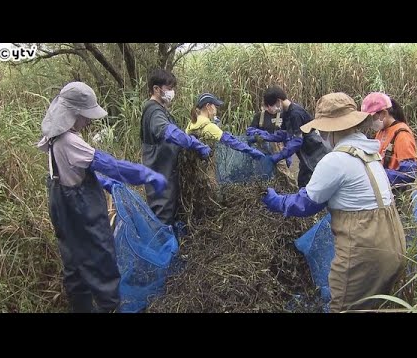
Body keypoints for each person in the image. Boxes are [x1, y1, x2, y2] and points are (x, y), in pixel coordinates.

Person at [262, 92, 406, 313]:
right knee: (372, 305)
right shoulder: (369, 152)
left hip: (364, 248)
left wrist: (278, 201)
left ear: (330, 129)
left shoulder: (335, 160)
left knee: (343, 306)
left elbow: (307, 204)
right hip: (394, 243)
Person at [37, 81, 168, 313]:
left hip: (62, 207)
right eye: (86, 115)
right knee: (101, 258)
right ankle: (110, 308)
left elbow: (71, 169)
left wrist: (103, 182)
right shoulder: (69, 140)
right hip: (80, 209)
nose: (89, 120)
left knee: (74, 262)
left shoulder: (53, 137)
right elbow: (109, 164)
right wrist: (146, 174)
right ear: (72, 114)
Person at [140, 69, 211, 229]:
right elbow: (168, 131)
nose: (172, 92)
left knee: (169, 213)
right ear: (156, 89)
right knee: (162, 215)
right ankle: (163, 251)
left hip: (166, 173)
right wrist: (194, 144)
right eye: (169, 88)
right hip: (159, 175)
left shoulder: (160, 110)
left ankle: (170, 242)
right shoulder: (154, 111)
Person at [260, 86, 330, 188]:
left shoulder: (295, 113)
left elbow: (297, 141)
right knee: (302, 181)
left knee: (311, 183)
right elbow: (285, 133)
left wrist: (280, 155)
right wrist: (267, 136)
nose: (271, 109)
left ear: (279, 101)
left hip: (315, 152)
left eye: (271, 105)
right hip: (305, 153)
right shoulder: (286, 113)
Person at [361, 92, 417, 192]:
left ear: (384, 113)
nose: (370, 123)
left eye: (372, 118)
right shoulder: (381, 132)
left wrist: (379, 174)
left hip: (397, 193)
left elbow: (409, 173)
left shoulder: (402, 135)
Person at [185, 93, 266, 160]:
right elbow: (231, 141)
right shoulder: (209, 126)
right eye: (215, 106)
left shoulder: (191, 124)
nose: (216, 109)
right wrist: (251, 151)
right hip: (204, 169)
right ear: (208, 106)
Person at [246, 103, 296, 187]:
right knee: (263, 173)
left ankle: (291, 190)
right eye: (269, 105)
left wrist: (288, 154)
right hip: (263, 149)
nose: (272, 108)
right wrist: (257, 135)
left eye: (275, 105)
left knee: (284, 173)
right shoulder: (259, 116)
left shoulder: (283, 116)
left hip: (279, 149)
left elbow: (289, 135)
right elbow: (249, 131)